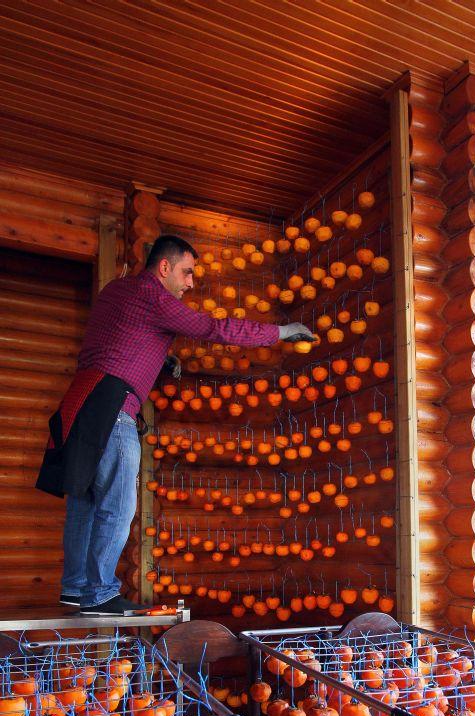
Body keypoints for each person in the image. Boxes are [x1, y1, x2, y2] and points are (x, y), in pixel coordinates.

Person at [36, 234, 312, 616]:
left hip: (80, 404)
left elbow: (120, 337)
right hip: (114, 407)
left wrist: (160, 358)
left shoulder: (118, 290)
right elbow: (215, 329)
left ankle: (75, 588)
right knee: (117, 505)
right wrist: (280, 332)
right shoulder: (155, 297)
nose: (190, 283)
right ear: (163, 267)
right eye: (186, 272)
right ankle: (99, 594)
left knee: (84, 501)